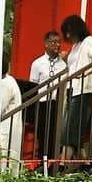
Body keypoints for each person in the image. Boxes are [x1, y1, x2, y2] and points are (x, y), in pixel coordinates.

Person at [59, 14, 92, 161]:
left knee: (72, 127)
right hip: (72, 89)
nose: (68, 36)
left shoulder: (89, 41)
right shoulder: (75, 46)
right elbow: (74, 66)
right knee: (69, 126)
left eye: (69, 32)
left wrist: (85, 73)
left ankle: (65, 159)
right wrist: (66, 61)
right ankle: (82, 158)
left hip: (84, 89)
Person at [27, 29, 65, 159]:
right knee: (43, 134)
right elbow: (33, 85)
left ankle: (53, 160)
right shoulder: (37, 63)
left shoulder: (64, 63)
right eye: (54, 42)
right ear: (46, 44)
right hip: (42, 104)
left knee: (56, 134)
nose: (57, 45)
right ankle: (42, 161)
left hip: (58, 104)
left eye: (59, 42)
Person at [0, 72, 24, 173]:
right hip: (11, 126)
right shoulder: (10, 80)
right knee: (10, 157)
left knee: (4, 156)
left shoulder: (5, 83)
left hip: (6, 127)